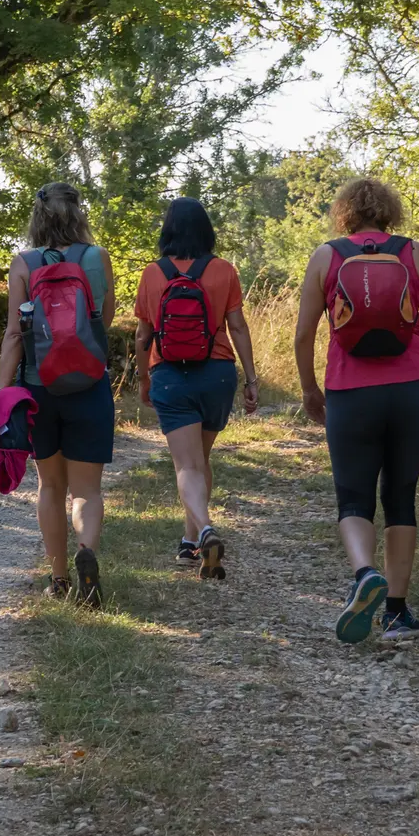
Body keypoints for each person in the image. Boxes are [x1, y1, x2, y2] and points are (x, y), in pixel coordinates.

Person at [293, 178, 419, 643]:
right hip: (411, 389)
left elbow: (305, 333)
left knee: (353, 498)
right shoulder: (417, 253)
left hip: (350, 392)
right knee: (401, 497)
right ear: (391, 211)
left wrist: (310, 388)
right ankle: (395, 613)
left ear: (344, 212)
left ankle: (365, 573)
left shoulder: (326, 256)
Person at [0, 182, 118, 606]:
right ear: (78, 213)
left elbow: (15, 331)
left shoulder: (23, 264)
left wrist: (2, 391)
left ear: (37, 216)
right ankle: (87, 553)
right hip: (89, 385)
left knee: (49, 486)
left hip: (38, 387)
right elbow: (104, 320)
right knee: (86, 490)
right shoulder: (97, 258)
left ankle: (60, 579)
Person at [133, 198, 258, 579]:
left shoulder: (153, 274)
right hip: (216, 373)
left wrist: (143, 378)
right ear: (206, 229)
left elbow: (143, 334)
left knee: (186, 465)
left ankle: (203, 529)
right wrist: (251, 380)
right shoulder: (224, 271)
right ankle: (191, 543)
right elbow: (237, 327)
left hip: (170, 374)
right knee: (201, 460)